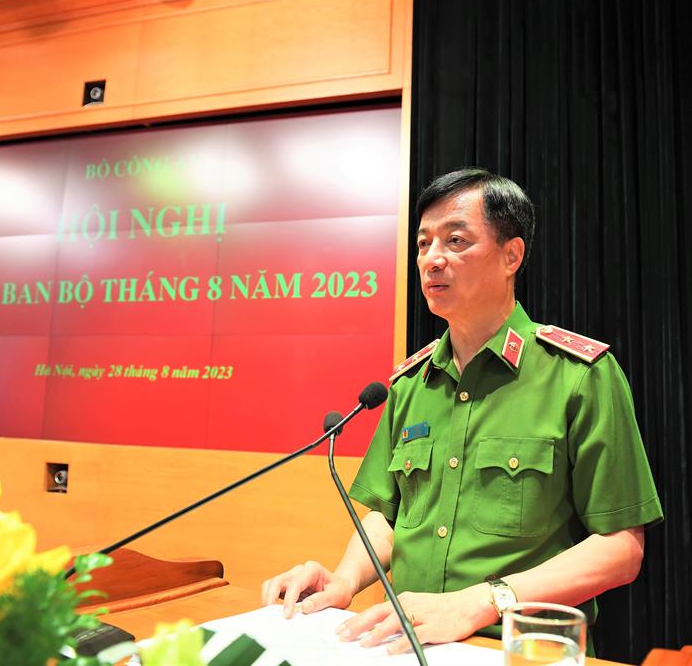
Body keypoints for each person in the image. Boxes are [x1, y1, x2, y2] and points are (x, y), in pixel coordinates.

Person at [262, 168, 663, 655]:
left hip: (516, 649)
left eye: (455, 241)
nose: (433, 259)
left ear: (511, 255)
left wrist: (485, 602)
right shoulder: (409, 384)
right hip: (404, 642)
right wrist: (344, 580)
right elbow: (389, 517)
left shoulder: (578, 375)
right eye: (423, 243)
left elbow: (621, 547)